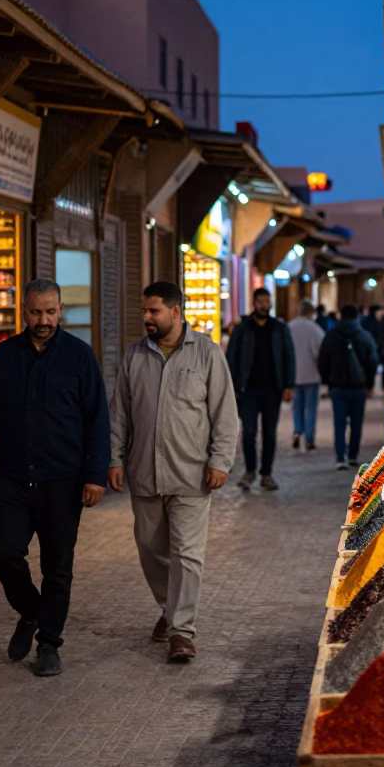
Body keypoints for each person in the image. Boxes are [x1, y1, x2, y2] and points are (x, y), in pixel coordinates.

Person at [0, 279, 110, 678]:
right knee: (6, 551)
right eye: (34, 312)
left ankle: (48, 645)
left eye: (49, 311)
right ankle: (31, 612)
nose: (42, 320)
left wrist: (96, 475)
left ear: (60, 310)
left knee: (58, 567)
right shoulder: (5, 355)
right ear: (23, 312)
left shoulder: (80, 357)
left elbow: (98, 420)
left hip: (63, 481)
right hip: (12, 477)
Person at [108, 281, 238, 662]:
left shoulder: (208, 355)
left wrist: (220, 461)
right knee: (151, 550)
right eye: (145, 311)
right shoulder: (134, 356)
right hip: (145, 473)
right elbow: (120, 416)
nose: (147, 317)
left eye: (154, 311)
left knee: (187, 553)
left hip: (192, 474)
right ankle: (169, 608)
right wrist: (114, 459)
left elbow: (225, 416)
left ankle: (182, 630)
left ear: (176, 312)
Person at [227, 287, 295, 490]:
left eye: (268, 302)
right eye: (262, 302)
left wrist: (288, 385)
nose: (265, 305)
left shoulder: (279, 328)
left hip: (272, 389)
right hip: (248, 390)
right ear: (254, 304)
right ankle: (249, 471)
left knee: (270, 434)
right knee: (248, 432)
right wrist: (232, 387)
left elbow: (289, 357)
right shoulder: (243, 328)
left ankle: (266, 473)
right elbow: (232, 358)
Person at [319, 302, 378, 470]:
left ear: (340, 315)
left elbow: (322, 360)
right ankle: (353, 455)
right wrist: (370, 383)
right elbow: (372, 361)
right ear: (357, 316)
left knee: (339, 422)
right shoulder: (365, 336)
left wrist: (327, 381)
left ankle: (340, 457)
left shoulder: (331, 336)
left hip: (337, 386)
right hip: (359, 386)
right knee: (356, 423)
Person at [288, 298, 324, 451]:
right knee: (311, 407)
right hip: (311, 374)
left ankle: (297, 431)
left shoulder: (290, 327)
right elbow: (320, 352)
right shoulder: (315, 329)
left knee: (296, 406)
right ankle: (309, 438)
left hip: (294, 374)